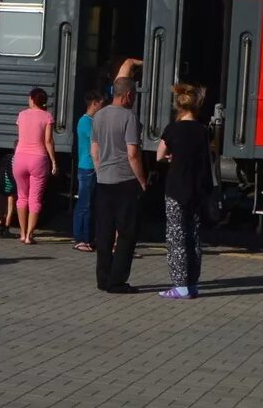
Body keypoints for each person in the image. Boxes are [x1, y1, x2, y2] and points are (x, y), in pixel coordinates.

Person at [156, 83, 213, 299]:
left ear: (179, 107)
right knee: (193, 235)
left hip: (175, 188)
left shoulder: (172, 129)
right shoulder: (203, 130)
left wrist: (172, 157)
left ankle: (179, 286)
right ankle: (193, 283)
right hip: (196, 188)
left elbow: (159, 156)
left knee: (176, 236)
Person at [92, 78, 148, 293]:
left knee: (104, 232)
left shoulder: (99, 115)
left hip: (104, 180)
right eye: (134, 94)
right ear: (128, 95)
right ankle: (117, 281)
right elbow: (132, 154)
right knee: (126, 233)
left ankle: (103, 279)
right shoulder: (129, 117)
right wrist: (142, 181)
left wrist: (100, 171)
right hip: (125, 180)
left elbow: (94, 150)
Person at [12, 88, 58, 246]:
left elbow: (20, 137)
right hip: (38, 159)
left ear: (32, 99)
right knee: (35, 199)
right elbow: (48, 141)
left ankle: (22, 232)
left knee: (21, 197)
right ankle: (29, 236)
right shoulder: (47, 116)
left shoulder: (22, 115)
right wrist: (53, 161)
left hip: (19, 158)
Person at [72, 93, 104, 252]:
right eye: (101, 103)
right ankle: (80, 238)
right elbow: (97, 143)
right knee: (84, 204)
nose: (103, 107)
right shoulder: (85, 122)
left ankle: (89, 238)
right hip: (88, 167)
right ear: (95, 103)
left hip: (92, 167)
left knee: (92, 204)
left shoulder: (92, 121)